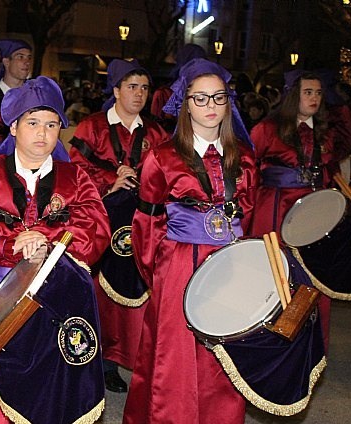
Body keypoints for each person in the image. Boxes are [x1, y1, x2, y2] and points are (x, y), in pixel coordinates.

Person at [0, 76, 110, 423]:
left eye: (51, 125)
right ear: (14, 126)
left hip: (53, 305)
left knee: (46, 397)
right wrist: (6, 243)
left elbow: (97, 230)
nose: (42, 134)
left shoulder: (76, 178)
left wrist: (48, 243)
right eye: (32, 123)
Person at [124, 58, 258, 423]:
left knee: (223, 358)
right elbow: (145, 225)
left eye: (218, 98)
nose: (211, 106)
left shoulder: (245, 158)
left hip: (230, 266)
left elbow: (248, 217)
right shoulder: (161, 157)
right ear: (185, 104)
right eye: (200, 99)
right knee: (175, 360)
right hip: (179, 265)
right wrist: (161, 275)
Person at [69, 59, 169, 393]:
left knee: (140, 289)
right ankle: (101, 360)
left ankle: (132, 356)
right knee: (99, 290)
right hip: (102, 217)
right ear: (115, 91)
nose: (139, 94)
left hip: (141, 221)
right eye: (131, 87)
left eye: (144, 88)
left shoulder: (156, 131)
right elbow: (74, 171)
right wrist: (111, 180)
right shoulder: (92, 126)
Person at [249, 70, 337, 351]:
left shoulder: (325, 131)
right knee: (275, 274)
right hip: (275, 210)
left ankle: (311, 344)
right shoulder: (267, 129)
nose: (314, 98)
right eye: (307, 92)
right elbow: (248, 168)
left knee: (313, 276)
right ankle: (268, 342)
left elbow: (328, 173)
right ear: (292, 95)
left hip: (312, 213)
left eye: (319, 93)